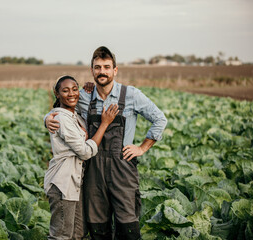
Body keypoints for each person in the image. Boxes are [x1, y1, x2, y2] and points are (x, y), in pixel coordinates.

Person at [45, 47, 167, 239]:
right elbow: (61, 108)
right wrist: (47, 118)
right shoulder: (84, 96)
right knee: (97, 228)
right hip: (94, 171)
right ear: (92, 71)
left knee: (128, 228)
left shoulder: (131, 95)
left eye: (107, 67)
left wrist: (142, 148)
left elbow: (160, 119)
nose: (102, 71)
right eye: (98, 67)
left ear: (115, 70)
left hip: (123, 170)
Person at [44, 75, 119, 240]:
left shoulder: (73, 115)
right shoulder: (62, 119)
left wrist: (46, 118)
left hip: (74, 183)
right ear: (57, 94)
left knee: (78, 233)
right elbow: (85, 152)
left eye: (74, 89)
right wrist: (105, 124)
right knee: (61, 235)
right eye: (65, 90)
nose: (71, 94)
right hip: (62, 184)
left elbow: (56, 112)